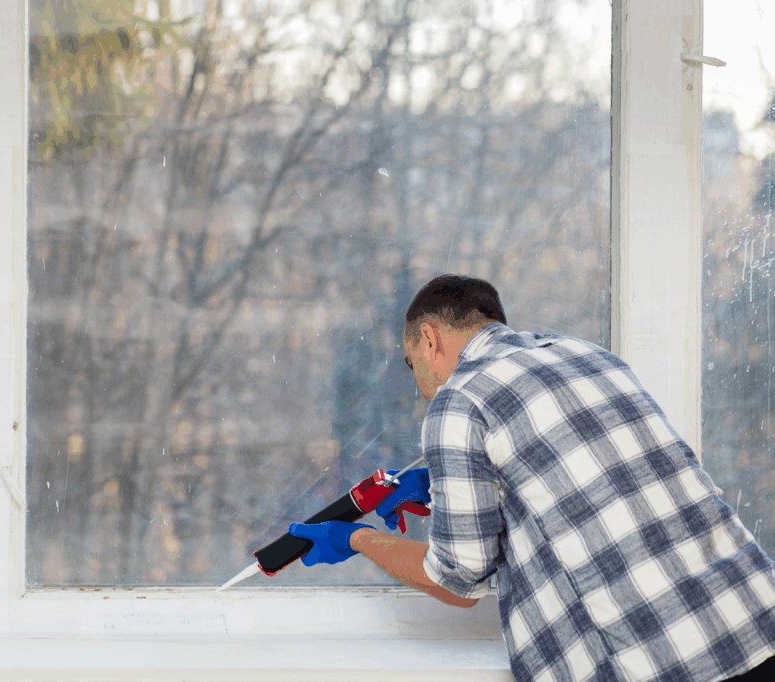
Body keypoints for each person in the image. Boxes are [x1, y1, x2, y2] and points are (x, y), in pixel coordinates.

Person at [288, 274, 775, 682]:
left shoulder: (459, 400)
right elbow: (582, 485)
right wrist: (444, 490)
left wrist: (357, 539)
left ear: (429, 340)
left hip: (661, 661)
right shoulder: (587, 357)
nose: (420, 387)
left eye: (413, 363)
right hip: (754, 620)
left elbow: (457, 581)